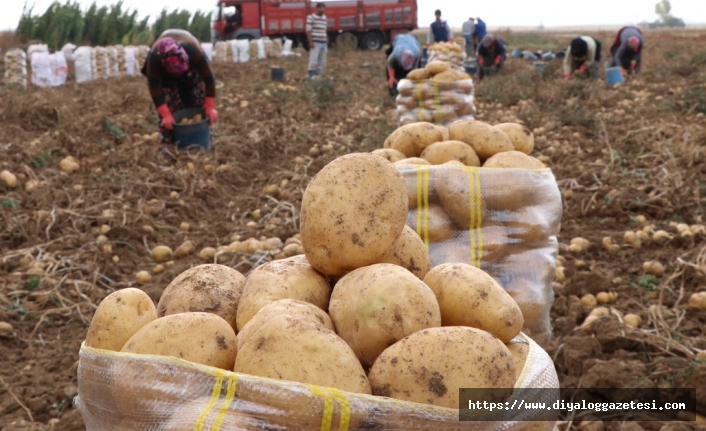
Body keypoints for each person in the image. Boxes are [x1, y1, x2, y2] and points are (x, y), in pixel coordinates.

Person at [141, 29, 218, 160]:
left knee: (197, 98)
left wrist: (210, 107)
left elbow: (209, 79)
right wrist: (165, 114)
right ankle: (168, 143)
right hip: (165, 73)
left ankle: (205, 135)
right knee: (170, 101)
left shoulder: (194, 51)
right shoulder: (154, 60)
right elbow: (155, 89)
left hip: (190, 68)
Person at [306, 2, 328, 79]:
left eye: (323, 8)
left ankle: (318, 76)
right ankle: (310, 77)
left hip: (323, 43)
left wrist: (326, 39)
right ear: (317, 8)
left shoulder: (325, 18)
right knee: (313, 60)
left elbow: (324, 29)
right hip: (316, 43)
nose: (322, 10)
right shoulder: (311, 17)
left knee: (322, 61)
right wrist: (310, 42)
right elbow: (308, 30)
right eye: (320, 8)